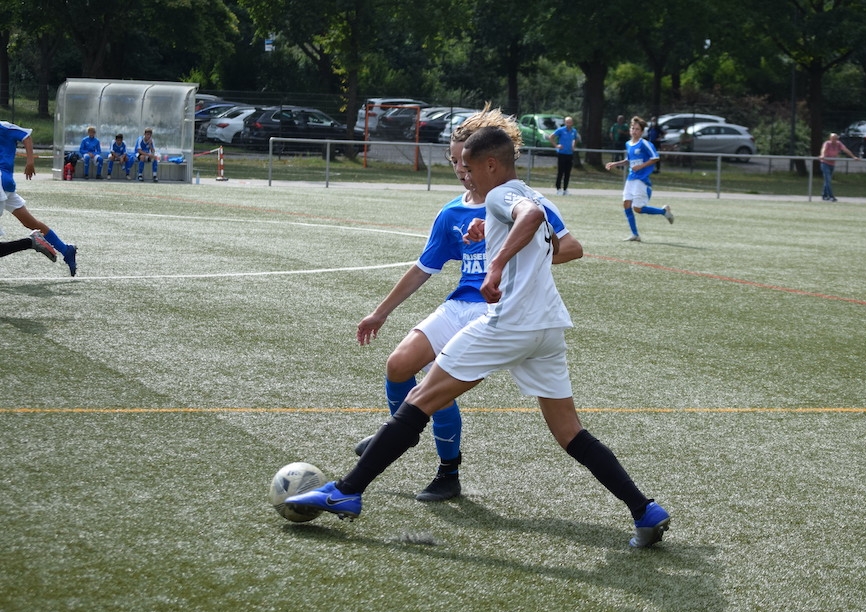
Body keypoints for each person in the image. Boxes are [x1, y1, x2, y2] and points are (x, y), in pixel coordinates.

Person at [286, 126, 671, 549]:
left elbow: (530, 217)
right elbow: (535, 224)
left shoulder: (502, 194)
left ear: (491, 165)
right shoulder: (529, 195)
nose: (464, 176)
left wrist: (496, 264)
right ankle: (645, 510)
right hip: (547, 327)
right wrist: (489, 234)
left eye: (468, 168)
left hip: (510, 324)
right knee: (570, 432)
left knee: (420, 399)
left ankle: (347, 491)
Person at [353, 106, 583, 502]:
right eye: (454, 161)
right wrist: (380, 312)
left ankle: (447, 471)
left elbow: (572, 248)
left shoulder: (520, 200)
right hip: (460, 303)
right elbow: (423, 268)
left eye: (465, 161)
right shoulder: (452, 212)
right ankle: (401, 433)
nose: (460, 169)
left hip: (495, 309)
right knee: (398, 364)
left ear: (486, 161)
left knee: (434, 386)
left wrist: (516, 258)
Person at [0, 121, 78, 276]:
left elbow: (26, 136)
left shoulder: (3, 127)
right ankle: (65, 249)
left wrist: (30, 161)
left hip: (1, 181)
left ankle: (32, 242)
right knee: (31, 223)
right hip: (5, 184)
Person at [604, 116, 674, 242]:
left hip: (641, 180)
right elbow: (629, 160)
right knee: (626, 204)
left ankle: (663, 211)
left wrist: (641, 166)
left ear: (641, 132)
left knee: (638, 208)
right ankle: (635, 234)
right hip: (631, 178)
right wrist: (616, 163)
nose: (634, 131)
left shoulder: (645, 143)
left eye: (637, 129)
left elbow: (655, 158)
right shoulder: (628, 144)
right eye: (632, 128)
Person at [818, 133, 859, 201]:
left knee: (827, 180)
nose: (833, 140)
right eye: (832, 139)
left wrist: (853, 157)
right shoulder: (827, 143)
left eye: (835, 139)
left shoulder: (839, 144)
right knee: (828, 180)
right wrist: (822, 155)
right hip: (825, 163)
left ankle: (824, 195)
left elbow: (845, 149)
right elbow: (823, 149)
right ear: (830, 138)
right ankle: (831, 196)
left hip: (832, 164)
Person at [549, 116, 579, 195]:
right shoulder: (561, 130)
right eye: (567, 122)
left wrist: (573, 146)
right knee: (560, 172)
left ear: (572, 123)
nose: (569, 124)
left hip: (569, 154)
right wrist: (556, 145)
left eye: (570, 122)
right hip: (562, 153)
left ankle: (565, 189)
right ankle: (558, 189)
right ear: (565, 123)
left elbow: (576, 139)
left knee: (567, 173)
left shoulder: (574, 131)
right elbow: (551, 137)